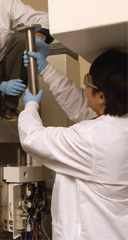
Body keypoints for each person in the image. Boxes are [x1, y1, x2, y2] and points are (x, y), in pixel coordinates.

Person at [18, 49, 128, 240]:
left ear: (101, 96)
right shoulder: (116, 126)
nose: (83, 88)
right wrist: (48, 71)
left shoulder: (91, 139)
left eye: (87, 81)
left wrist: (30, 108)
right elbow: (82, 108)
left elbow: (33, 139)